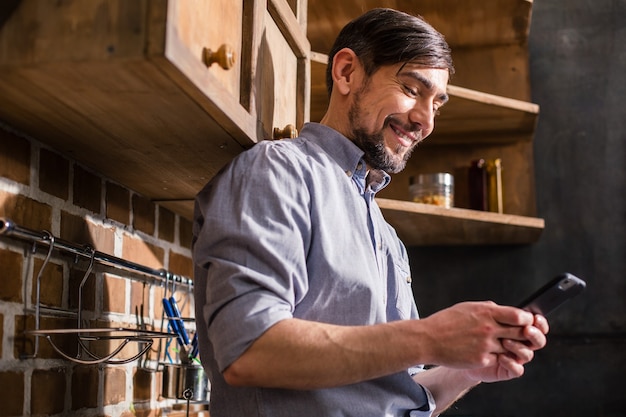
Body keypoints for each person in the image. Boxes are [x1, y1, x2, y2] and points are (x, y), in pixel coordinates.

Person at [192, 7, 548, 417]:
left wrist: (468, 369)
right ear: (346, 73)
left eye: (438, 104)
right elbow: (248, 350)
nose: (425, 121)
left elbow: (396, 396)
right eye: (413, 89)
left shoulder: (385, 235)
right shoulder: (277, 170)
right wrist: (430, 337)